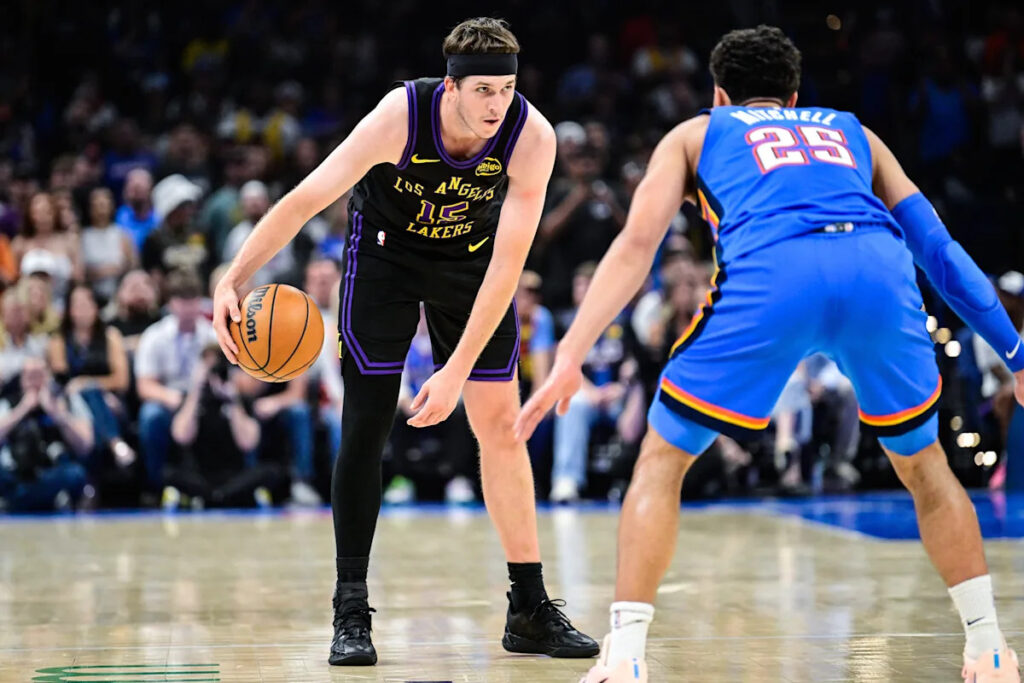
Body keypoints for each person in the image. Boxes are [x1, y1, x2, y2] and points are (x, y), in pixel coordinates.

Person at [516, 26, 1024, 683]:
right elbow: (940, 250)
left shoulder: (697, 133)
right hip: (877, 268)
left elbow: (638, 245)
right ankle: (987, 646)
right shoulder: (855, 132)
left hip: (774, 273)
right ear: (792, 94)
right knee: (926, 466)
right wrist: (1015, 350)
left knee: (662, 459)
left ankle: (626, 651)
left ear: (720, 94)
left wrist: (571, 352)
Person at [211, 16, 596, 667]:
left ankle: (529, 607)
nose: (496, 105)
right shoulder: (400, 115)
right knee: (365, 425)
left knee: (500, 426)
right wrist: (235, 274)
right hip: (384, 257)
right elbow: (310, 196)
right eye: (482, 92)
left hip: (470, 264)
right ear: (451, 86)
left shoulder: (532, 137)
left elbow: (507, 268)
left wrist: (456, 370)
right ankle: (350, 608)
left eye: (505, 91)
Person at [135, 269, 217, 492]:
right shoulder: (155, 336)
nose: (189, 309)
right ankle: (155, 485)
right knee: (151, 415)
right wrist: (171, 397)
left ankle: (216, 485)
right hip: (169, 397)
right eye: (182, 302)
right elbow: (145, 385)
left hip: (203, 399)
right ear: (171, 304)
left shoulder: (211, 335)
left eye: (193, 302)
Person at [0, 357, 93, 512]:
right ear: (21, 380)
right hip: (16, 477)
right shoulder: (8, 403)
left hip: (53, 474)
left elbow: (85, 445)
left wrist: (55, 413)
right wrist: (22, 409)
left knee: (76, 474)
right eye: (30, 377)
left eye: (39, 376)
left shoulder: (66, 400)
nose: (35, 383)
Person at [81, 187, 138, 302]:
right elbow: (80, 273)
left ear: (111, 206)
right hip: (91, 296)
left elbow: (133, 266)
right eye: (97, 204)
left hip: (119, 295)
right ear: (90, 208)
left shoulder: (122, 235)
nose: (100, 209)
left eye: (104, 204)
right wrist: (106, 271)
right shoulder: (83, 237)